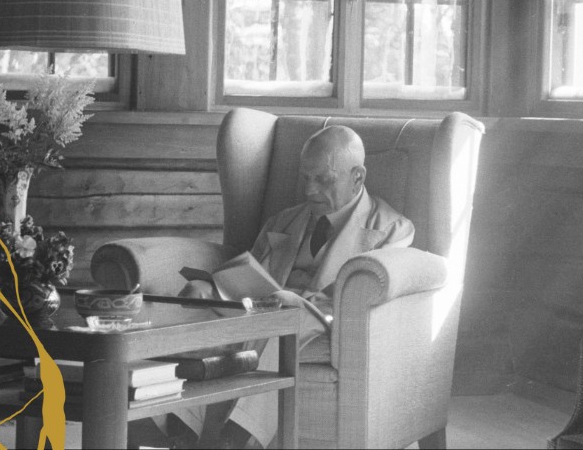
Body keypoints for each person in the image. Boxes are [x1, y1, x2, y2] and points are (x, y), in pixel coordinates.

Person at [170, 125, 415, 448]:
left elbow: (373, 301)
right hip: (261, 311)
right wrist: (212, 288)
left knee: (284, 315)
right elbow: (247, 276)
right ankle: (180, 432)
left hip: (324, 321)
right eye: (305, 177)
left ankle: (238, 439)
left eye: (323, 179)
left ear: (357, 177)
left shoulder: (392, 229)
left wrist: (286, 300)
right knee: (201, 304)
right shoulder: (282, 221)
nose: (309, 190)